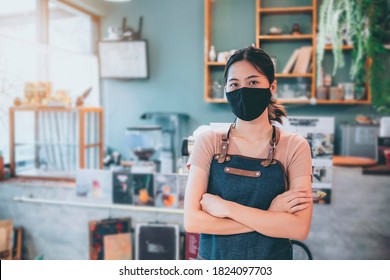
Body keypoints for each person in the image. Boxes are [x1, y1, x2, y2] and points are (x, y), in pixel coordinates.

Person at [184, 46, 313, 260]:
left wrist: (226, 208)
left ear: (272, 86)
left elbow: (298, 228)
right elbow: (192, 221)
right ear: (226, 89)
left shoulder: (295, 146)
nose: (243, 90)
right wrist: (271, 217)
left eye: (253, 82)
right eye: (234, 84)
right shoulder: (208, 141)